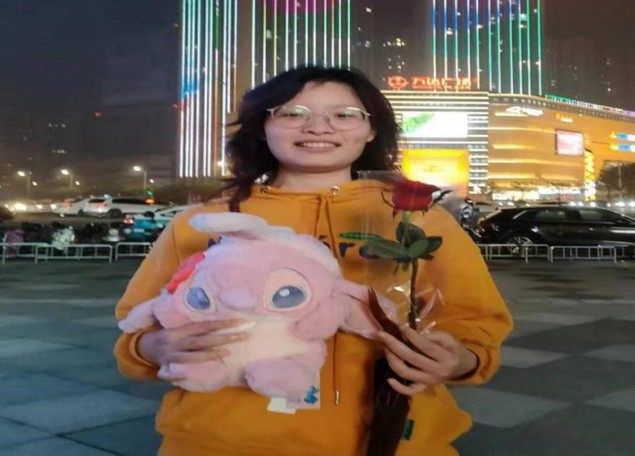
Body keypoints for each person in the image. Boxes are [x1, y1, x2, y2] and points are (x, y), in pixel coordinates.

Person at [114, 65, 513, 456]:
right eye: (292, 113)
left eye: (344, 115)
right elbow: (136, 328)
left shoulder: (418, 219)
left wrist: (459, 360)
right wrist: (153, 347)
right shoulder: (205, 222)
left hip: (395, 441)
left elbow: (475, 321)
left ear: (371, 129)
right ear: (262, 126)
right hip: (219, 443)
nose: (318, 127)